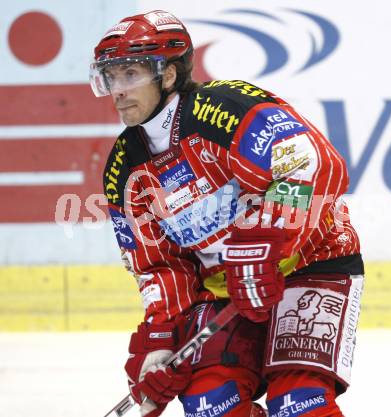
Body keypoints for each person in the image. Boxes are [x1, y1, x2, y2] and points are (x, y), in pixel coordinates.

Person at [90, 10, 364, 417]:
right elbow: (159, 266)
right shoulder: (124, 168)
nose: (118, 90)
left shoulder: (225, 109)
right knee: (209, 403)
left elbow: (312, 163)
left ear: (167, 75)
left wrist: (263, 243)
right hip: (226, 291)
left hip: (313, 263)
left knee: (298, 402)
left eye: (130, 74)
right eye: (111, 76)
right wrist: (160, 341)